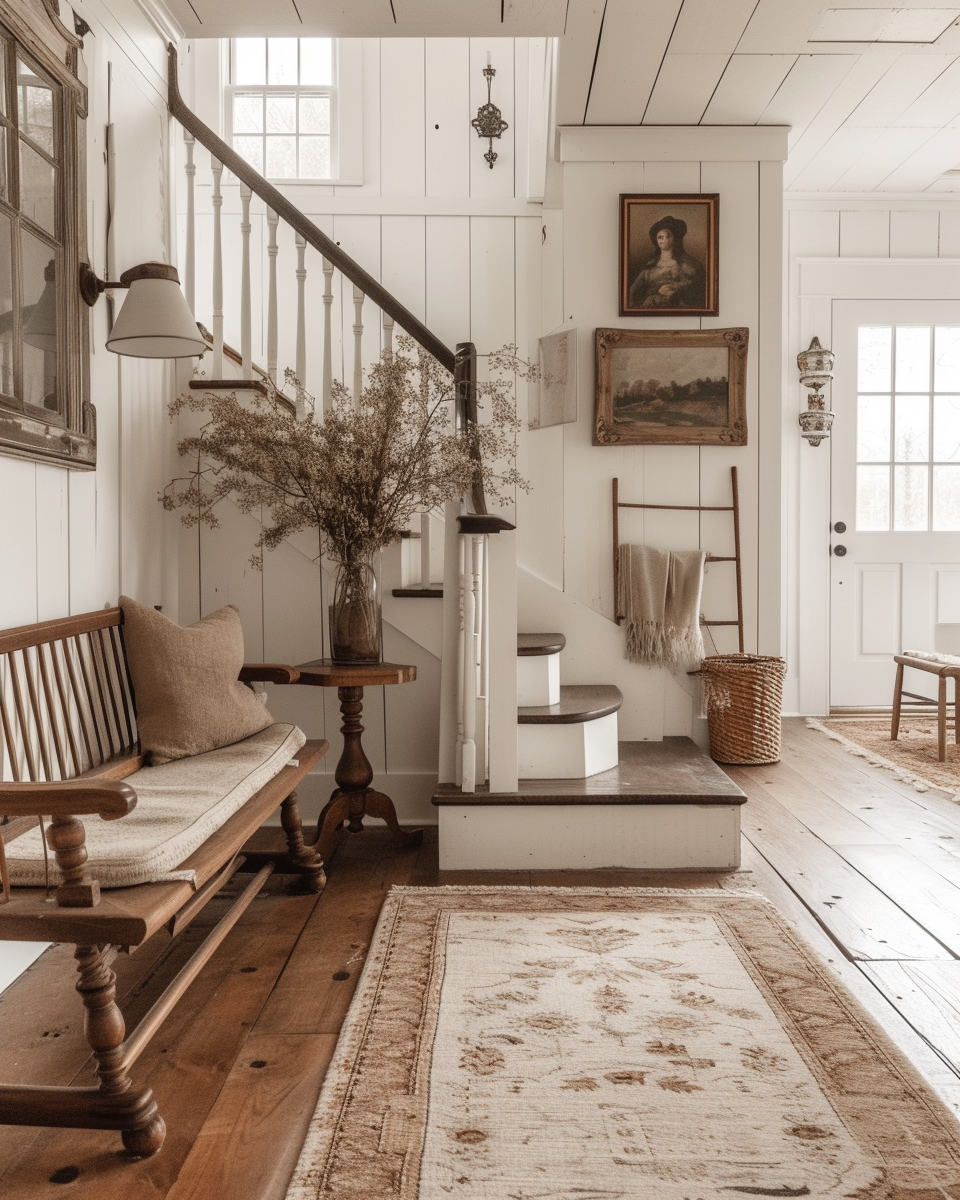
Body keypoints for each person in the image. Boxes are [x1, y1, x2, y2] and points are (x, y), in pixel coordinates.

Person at [627, 215, 706, 310]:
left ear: (674, 238)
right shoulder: (649, 267)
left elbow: (698, 286)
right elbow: (633, 291)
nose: (664, 240)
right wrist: (656, 291)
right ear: (656, 241)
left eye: (667, 236)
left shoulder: (686, 264)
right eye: (660, 237)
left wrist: (676, 287)